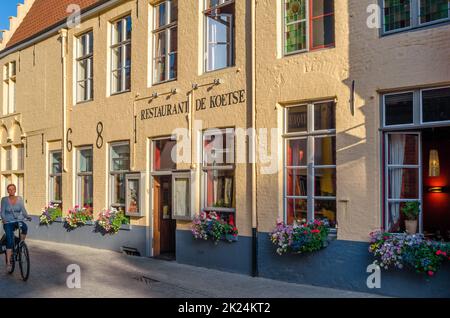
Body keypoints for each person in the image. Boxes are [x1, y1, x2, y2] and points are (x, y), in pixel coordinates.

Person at [1, 184, 31, 272]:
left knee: (24, 227)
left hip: (17, 221)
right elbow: (2, 212)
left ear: (15, 190)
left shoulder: (20, 199)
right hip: (8, 222)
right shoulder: (4, 200)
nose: (11, 191)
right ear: (7, 191)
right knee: (10, 240)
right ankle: (8, 263)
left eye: (13, 189)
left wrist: (27, 216)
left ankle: (21, 244)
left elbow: (23, 210)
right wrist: (4, 219)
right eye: (9, 189)